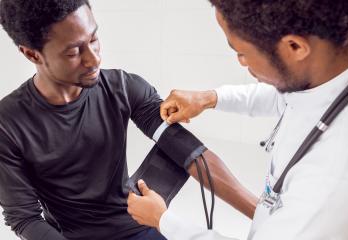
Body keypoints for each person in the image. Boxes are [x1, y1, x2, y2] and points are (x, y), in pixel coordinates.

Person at [0, 0, 259, 240]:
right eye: (73, 52)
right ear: (32, 54)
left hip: (138, 225)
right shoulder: (7, 124)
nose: (94, 59)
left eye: (94, 39)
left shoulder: (123, 87)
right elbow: (25, 218)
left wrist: (264, 216)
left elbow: (191, 154)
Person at [127, 0, 348, 239]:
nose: (241, 62)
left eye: (242, 52)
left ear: (295, 47)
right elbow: (289, 95)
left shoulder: (334, 184)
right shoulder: (331, 66)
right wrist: (211, 98)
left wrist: (164, 221)